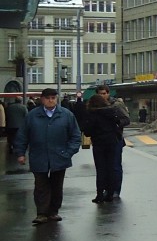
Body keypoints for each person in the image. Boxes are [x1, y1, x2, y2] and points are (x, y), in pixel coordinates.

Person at [12, 87, 83, 225]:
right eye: (48, 98)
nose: (51, 101)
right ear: (42, 99)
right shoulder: (32, 115)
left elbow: (75, 136)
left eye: (53, 98)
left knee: (57, 185)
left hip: (60, 156)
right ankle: (42, 213)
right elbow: (22, 135)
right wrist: (20, 153)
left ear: (57, 99)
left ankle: (53, 211)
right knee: (40, 185)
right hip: (39, 155)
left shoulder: (66, 115)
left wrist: (68, 152)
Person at [85, 86, 129, 202]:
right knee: (106, 167)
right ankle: (108, 191)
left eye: (104, 93)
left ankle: (114, 191)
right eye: (100, 94)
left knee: (113, 167)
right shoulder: (97, 110)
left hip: (114, 139)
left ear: (108, 93)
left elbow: (125, 119)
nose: (102, 96)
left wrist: (117, 126)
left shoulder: (116, 105)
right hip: (108, 140)